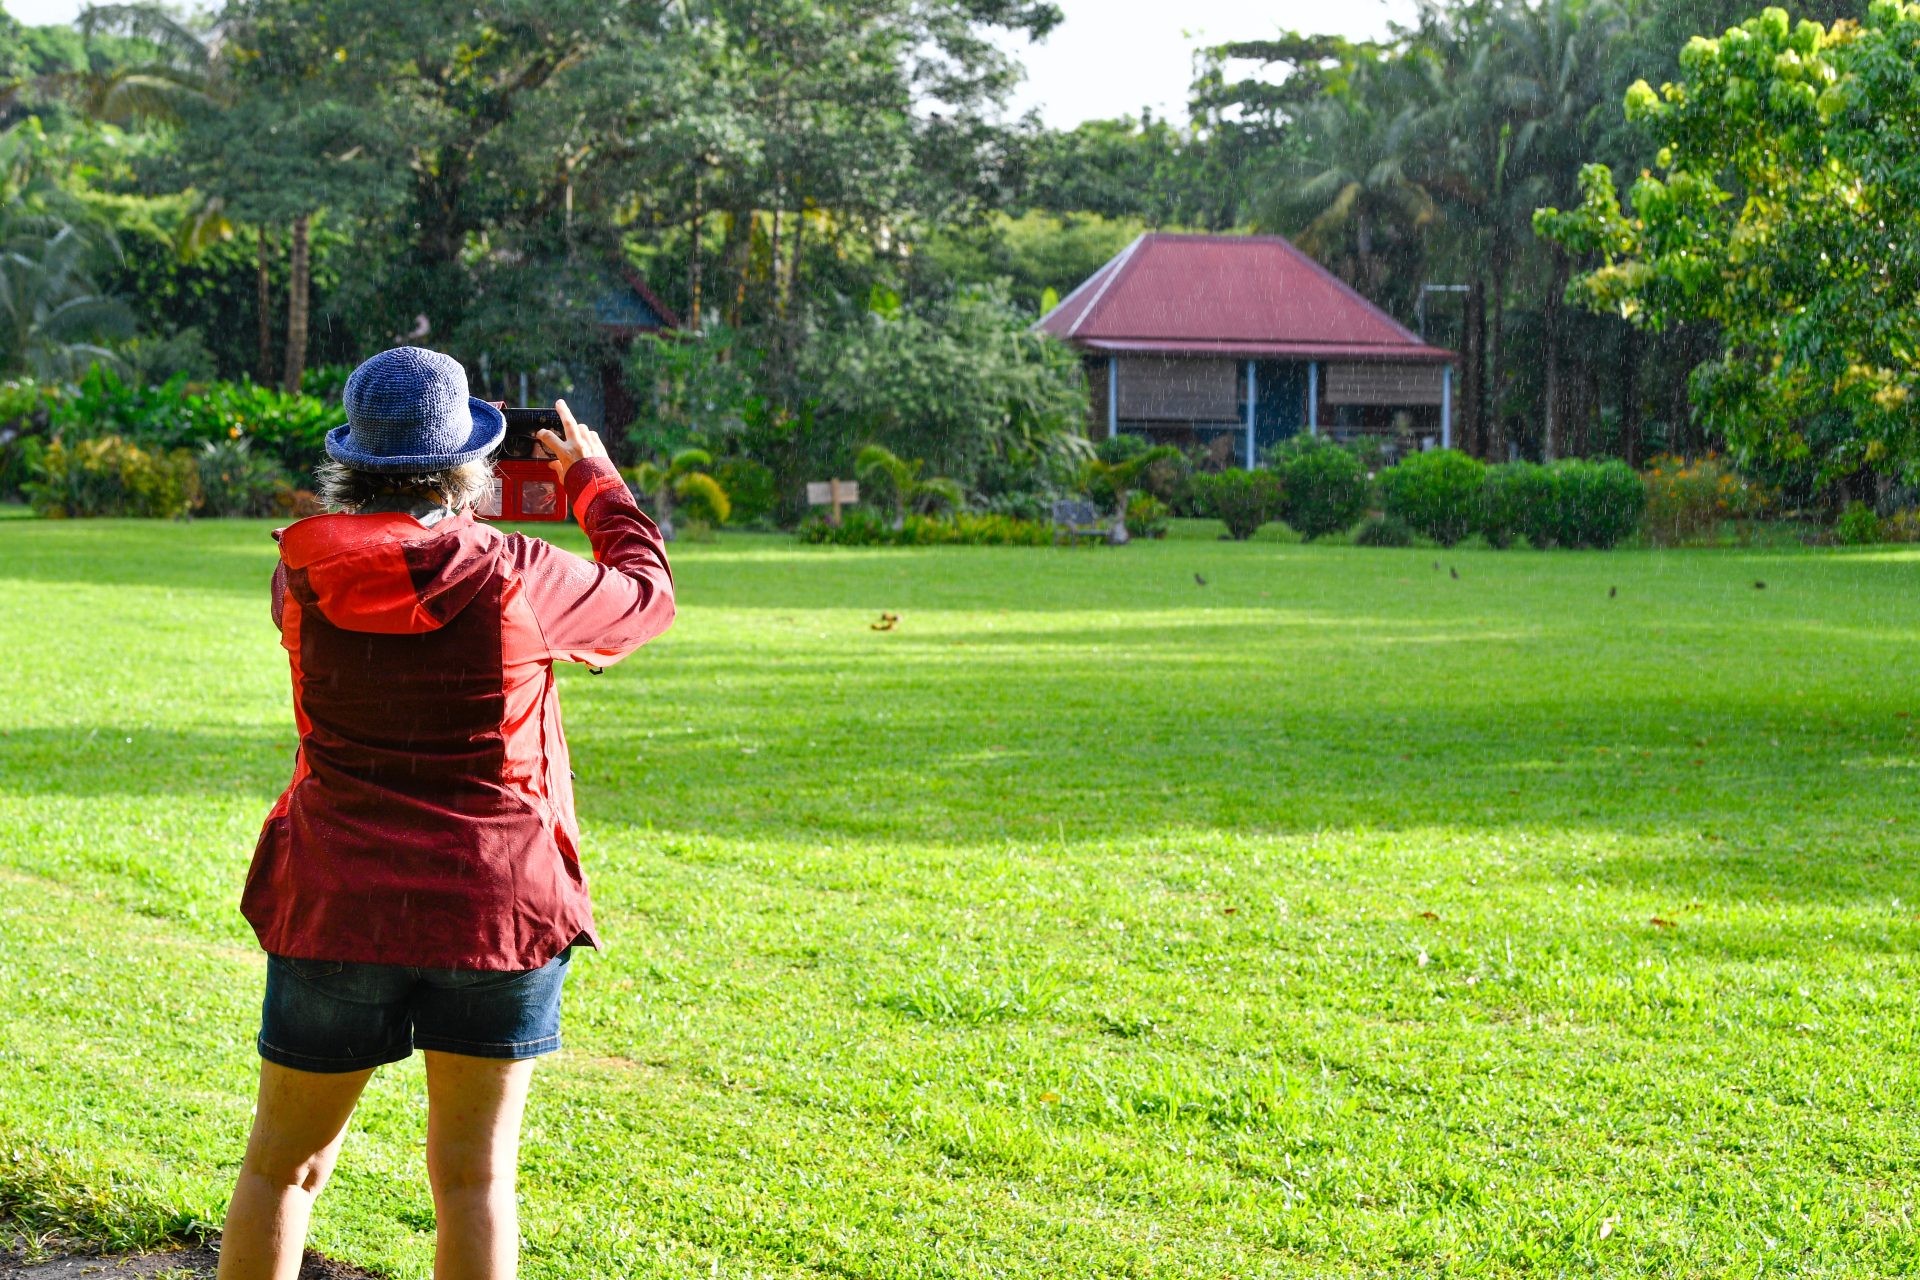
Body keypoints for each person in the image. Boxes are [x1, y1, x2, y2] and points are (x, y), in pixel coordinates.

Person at [218, 347, 674, 1280]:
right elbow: (645, 600)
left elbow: (389, 566)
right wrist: (595, 483)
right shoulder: (521, 575)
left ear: (351, 457)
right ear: (472, 461)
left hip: (334, 899)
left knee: (283, 1172)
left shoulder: (299, 576)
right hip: (495, 907)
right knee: (475, 1182)